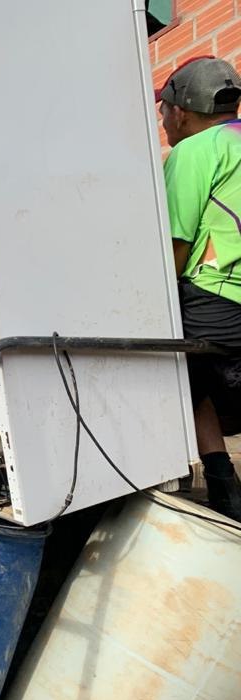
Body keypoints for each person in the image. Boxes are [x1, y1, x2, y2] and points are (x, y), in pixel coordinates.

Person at [159, 56, 241, 521]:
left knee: (170, 360)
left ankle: (220, 481)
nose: (164, 120)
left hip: (218, 300)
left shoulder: (194, 151)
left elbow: (177, 246)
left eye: (165, 110)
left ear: (183, 110)